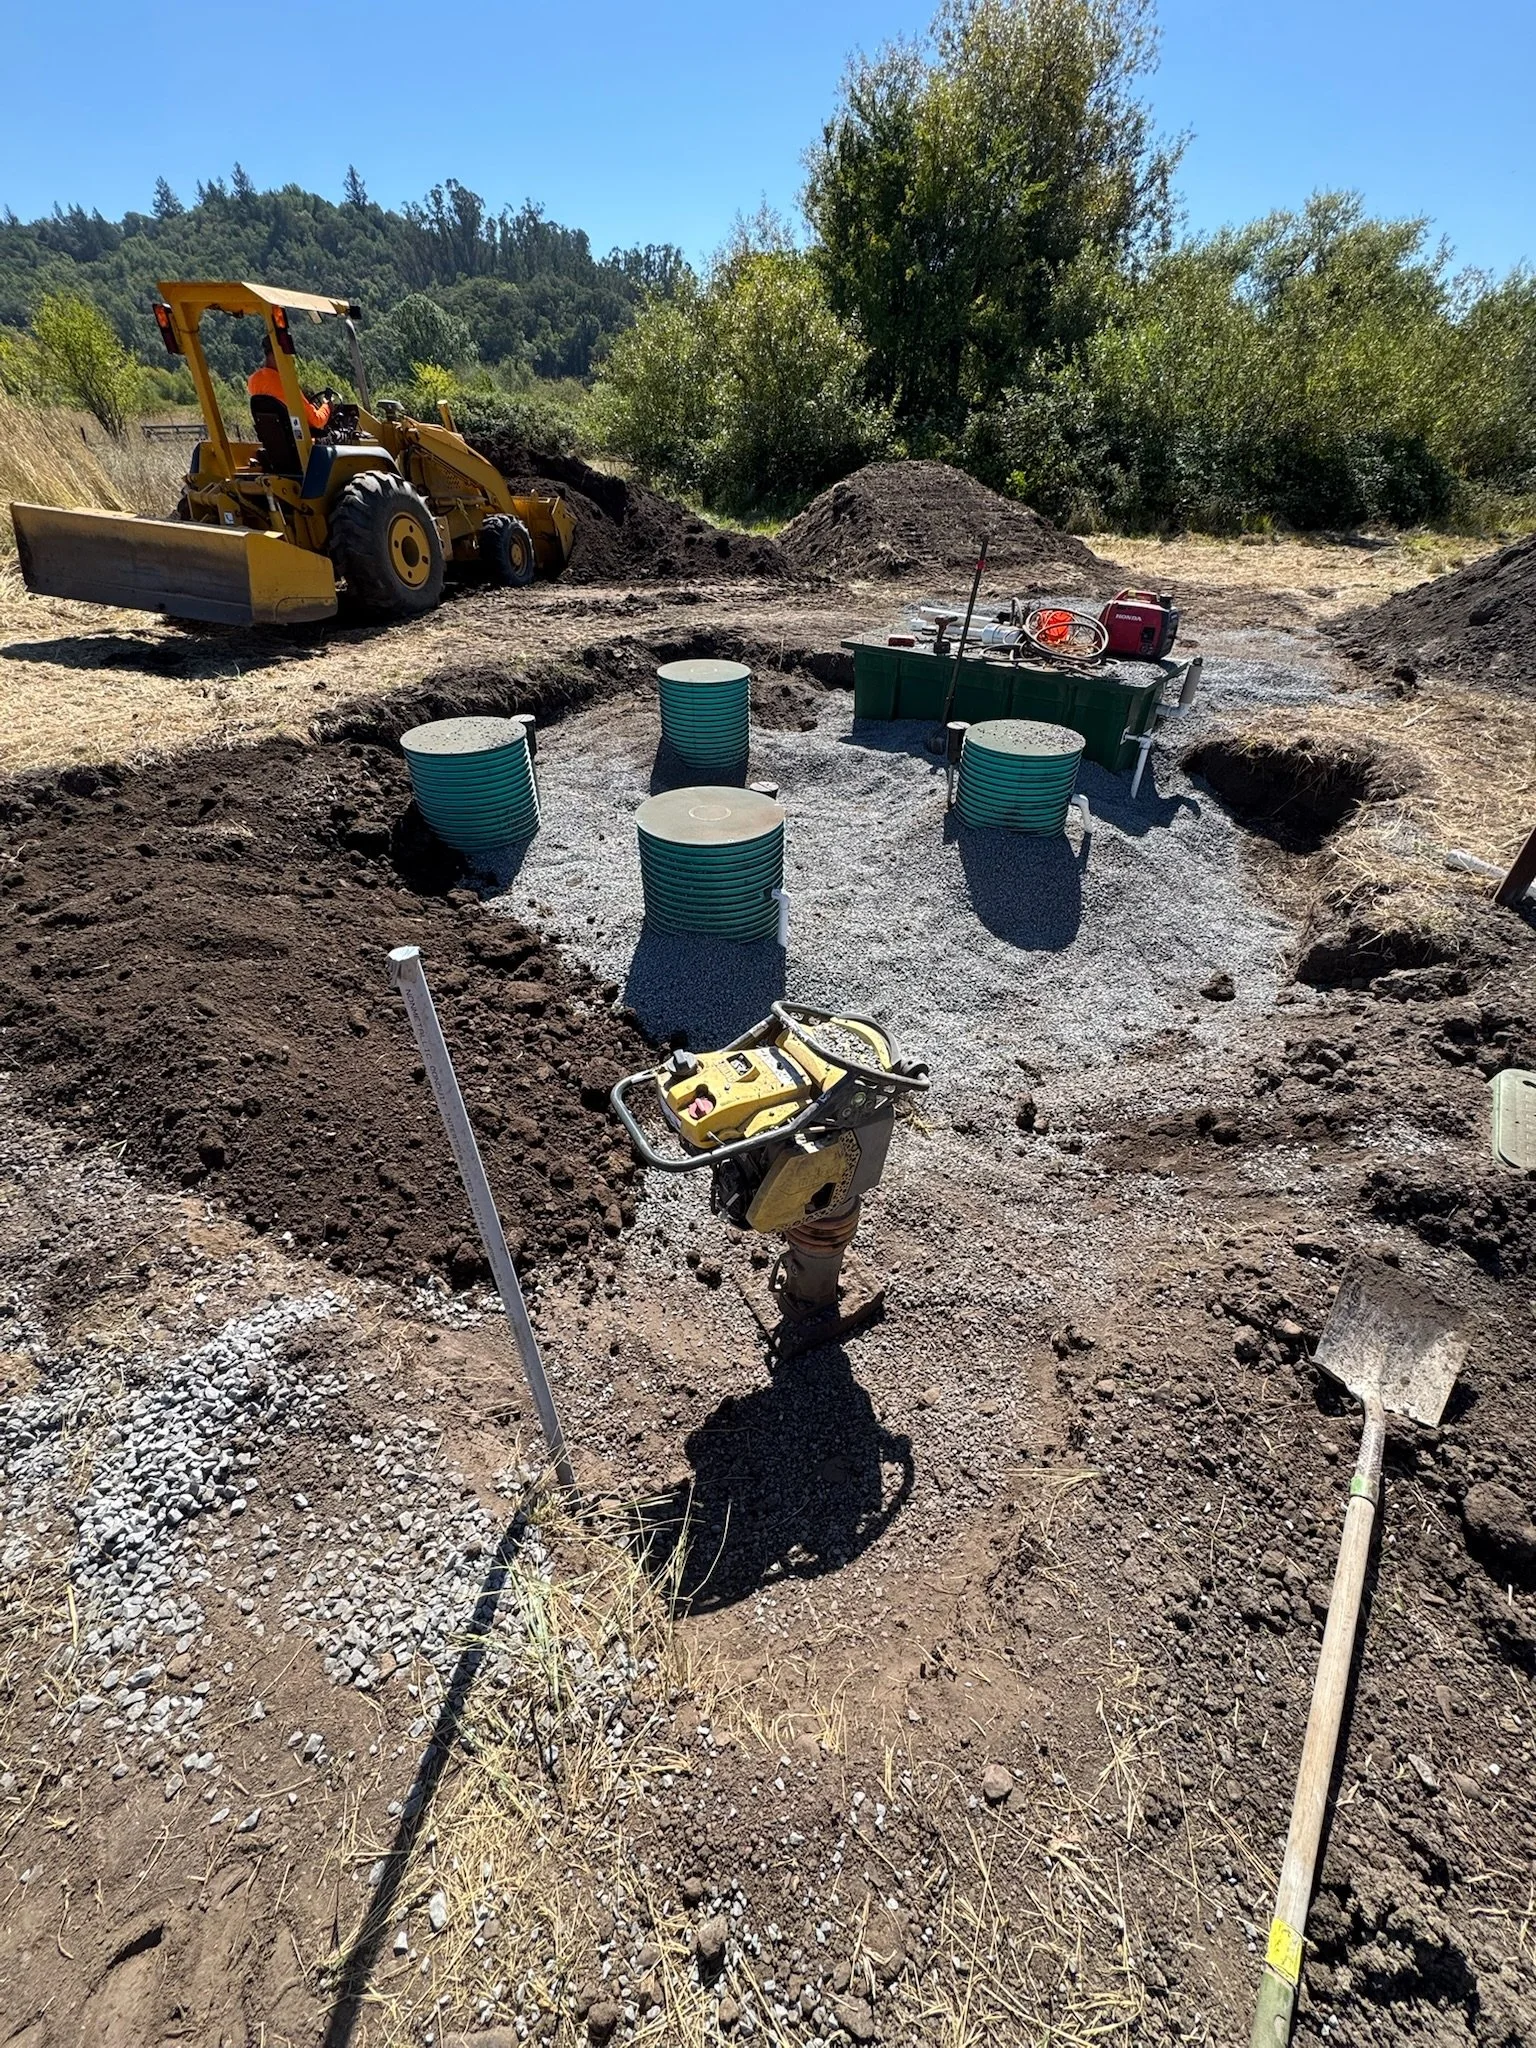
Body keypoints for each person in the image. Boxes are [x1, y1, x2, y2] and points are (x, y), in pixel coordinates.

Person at [248, 336, 331, 432]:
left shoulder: (253, 381)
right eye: (287, 355)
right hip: (298, 443)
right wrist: (327, 406)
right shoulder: (287, 385)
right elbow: (316, 421)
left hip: (272, 441)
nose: (290, 360)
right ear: (276, 354)